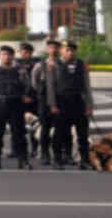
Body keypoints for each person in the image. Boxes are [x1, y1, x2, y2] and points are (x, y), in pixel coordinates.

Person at [46, 40, 94, 171]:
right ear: (61, 51)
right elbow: (50, 87)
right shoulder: (53, 65)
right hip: (62, 102)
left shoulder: (81, 65)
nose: (70, 52)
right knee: (59, 133)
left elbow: (87, 87)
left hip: (78, 102)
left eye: (72, 50)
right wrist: (53, 104)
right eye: (67, 50)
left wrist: (89, 105)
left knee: (83, 134)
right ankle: (57, 159)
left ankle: (84, 160)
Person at [0, 45, 32, 170]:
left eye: (9, 54)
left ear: (12, 56)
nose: (6, 57)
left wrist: (22, 96)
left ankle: (23, 160)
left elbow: (27, 85)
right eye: (3, 54)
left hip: (15, 103)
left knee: (19, 133)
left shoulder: (20, 70)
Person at [32, 39, 60, 166]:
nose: (53, 50)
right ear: (47, 49)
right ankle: (44, 154)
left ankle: (60, 154)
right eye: (50, 48)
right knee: (45, 128)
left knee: (60, 129)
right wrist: (41, 92)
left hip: (60, 100)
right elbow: (34, 82)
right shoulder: (40, 65)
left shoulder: (61, 64)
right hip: (44, 101)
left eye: (55, 48)